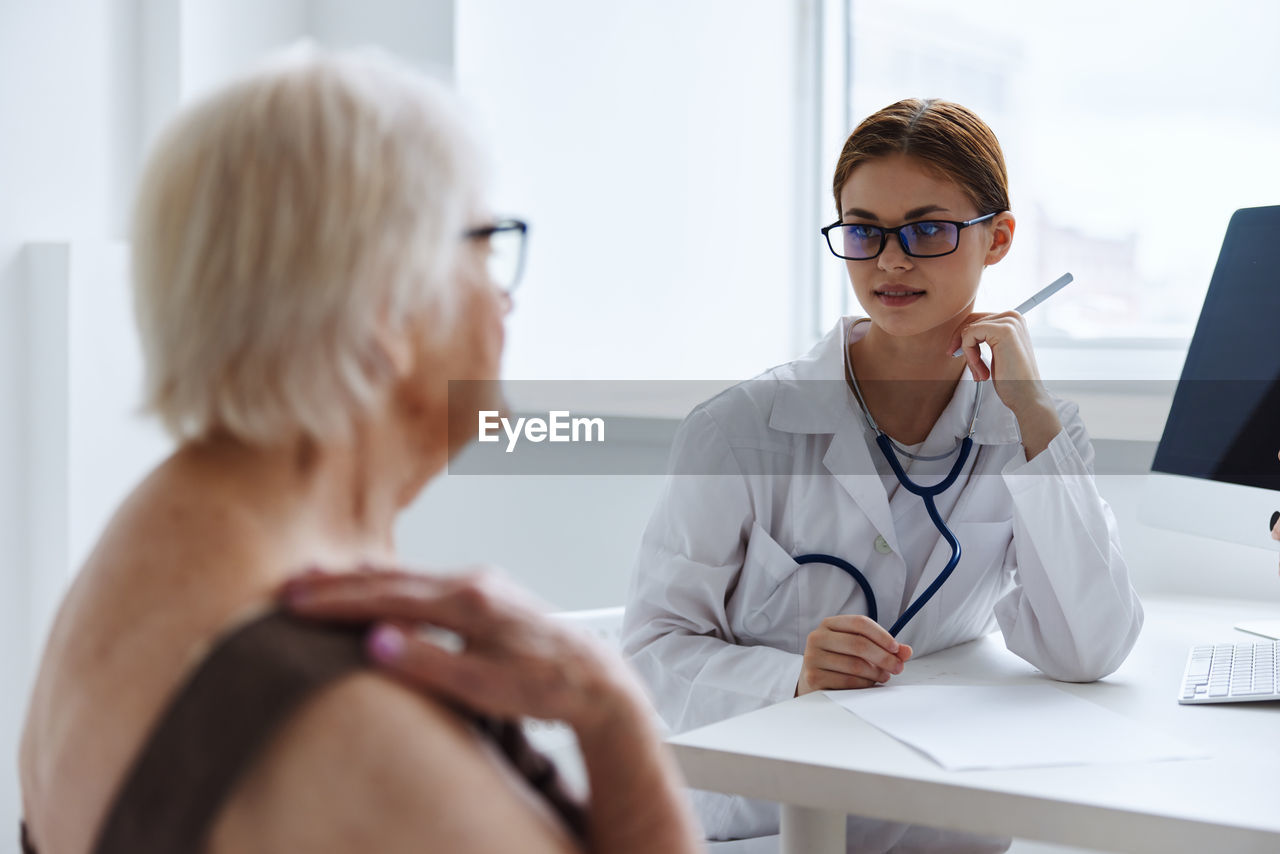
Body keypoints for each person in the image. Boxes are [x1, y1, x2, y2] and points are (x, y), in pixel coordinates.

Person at [18, 48, 700, 854]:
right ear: (388, 310)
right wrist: (615, 713)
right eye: (486, 247)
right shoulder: (365, 738)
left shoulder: (145, 543)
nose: (505, 298)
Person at [622, 98, 1144, 852]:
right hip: (769, 822)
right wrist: (793, 678)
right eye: (864, 231)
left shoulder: (1032, 430)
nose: (891, 261)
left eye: (927, 230)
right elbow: (650, 651)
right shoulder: (738, 430)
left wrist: (1030, 413)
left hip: (944, 823)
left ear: (996, 240)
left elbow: (1088, 649)